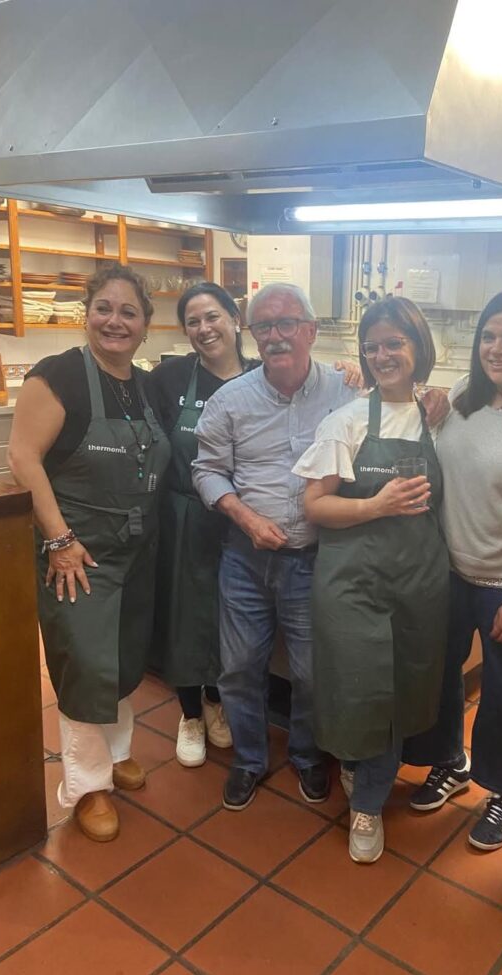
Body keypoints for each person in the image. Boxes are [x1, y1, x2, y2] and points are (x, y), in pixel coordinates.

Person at [148, 282, 362, 769]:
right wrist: (245, 517)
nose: (276, 335)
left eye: (287, 323)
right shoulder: (230, 399)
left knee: (310, 673)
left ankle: (306, 757)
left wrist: (432, 400)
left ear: (311, 330)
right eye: (265, 326)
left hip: (314, 558)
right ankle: (248, 761)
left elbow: (392, 411)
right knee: (240, 669)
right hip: (245, 559)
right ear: (253, 333)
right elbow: (206, 470)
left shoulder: (345, 390)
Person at [8, 264, 170, 842]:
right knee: (85, 667)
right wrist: (59, 540)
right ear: (87, 313)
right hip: (77, 555)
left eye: (129, 312)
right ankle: (87, 785)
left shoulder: (144, 384)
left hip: (137, 551)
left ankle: (117, 753)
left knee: (122, 662)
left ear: (145, 325)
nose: (115, 321)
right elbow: (22, 457)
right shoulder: (59, 376)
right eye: (104, 308)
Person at [403, 290, 502, 851]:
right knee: (439, 675)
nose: (497, 348)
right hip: (449, 573)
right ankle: (450, 761)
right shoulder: (462, 399)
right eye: (489, 336)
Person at [294, 297, 449, 863]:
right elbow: (315, 505)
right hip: (353, 581)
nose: (383, 355)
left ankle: (368, 787)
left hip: (418, 583)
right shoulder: (348, 420)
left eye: (395, 344)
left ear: (418, 348)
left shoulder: (440, 416)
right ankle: (365, 797)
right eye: (373, 346)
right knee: (359, 689)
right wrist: (376, 506)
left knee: (401, 692)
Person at [148, 283, 258, 767]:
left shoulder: (264, 376)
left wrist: (348, 371)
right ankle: (191, 714)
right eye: (193, 321)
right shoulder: (169, 377)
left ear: (235, 318)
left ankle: (218, 702)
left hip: (243, 523)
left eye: (212, 316)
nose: (204, 329)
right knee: (184, 620)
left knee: (228, 622)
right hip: (186, 519)